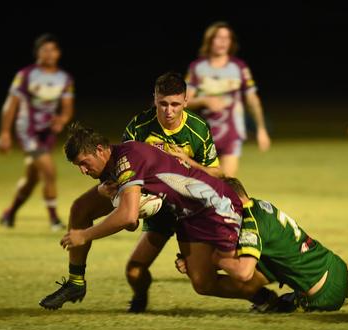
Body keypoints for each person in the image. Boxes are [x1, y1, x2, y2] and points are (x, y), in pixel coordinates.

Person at [39, 73, 243, 312]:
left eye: (175, 104)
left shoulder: (197, 129)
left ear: (186, 102)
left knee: (201, 280)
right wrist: (107, 188)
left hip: (188, 204)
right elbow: (117, 165)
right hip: (150, 198)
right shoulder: (139, 126)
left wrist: (189, 161)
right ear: (154, 100)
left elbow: (216, 173)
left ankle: (259, 292)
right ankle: (80, 283)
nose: (168, 111)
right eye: (163, 104)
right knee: (130, 267)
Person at [40, 123, 278, 311]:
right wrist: (111, 196)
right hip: (183, 213)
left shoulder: (127, 158)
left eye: (84, 163)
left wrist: (85, 234)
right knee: (202, 283)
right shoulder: (110, 167)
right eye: (77, 167)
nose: (83, 171)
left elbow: (127, 216)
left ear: (100, 150)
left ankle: (277, 277)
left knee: (236, 268)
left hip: (212, 208)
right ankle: (76, 282)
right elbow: (131, 221)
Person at [176, 178, 348, 312]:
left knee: (270, 296)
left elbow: (244, 272)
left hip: (318, 296)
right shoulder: (261, 205)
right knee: (344, 270)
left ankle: (267, 301)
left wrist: (213, 259)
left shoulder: (250, 222)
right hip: (328, 263)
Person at [0, 33, 74, 231]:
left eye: (53, 49)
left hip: (47, 133)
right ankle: (54, 220)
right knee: (49, 170)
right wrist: (5, 132)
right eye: (44, 49)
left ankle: (9, 213)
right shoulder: (26, 75)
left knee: (32, 178)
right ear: (37, 52)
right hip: (27, 130)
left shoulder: (64, 78)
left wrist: (62, 120)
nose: (49, 53)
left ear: (59, 53)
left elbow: (67, 108)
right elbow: (11, 104)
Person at [185, 21, 271, 177]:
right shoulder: (197, 68)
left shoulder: (239, 67)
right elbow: (184, 101)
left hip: (232, 132)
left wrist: (261, 129)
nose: (223, 41)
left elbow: (252, 99)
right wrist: (203, 101)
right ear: (209, 40)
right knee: (203, 182)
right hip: (204, 135)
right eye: (218, 37)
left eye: (227, 38)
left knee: (226, 183)